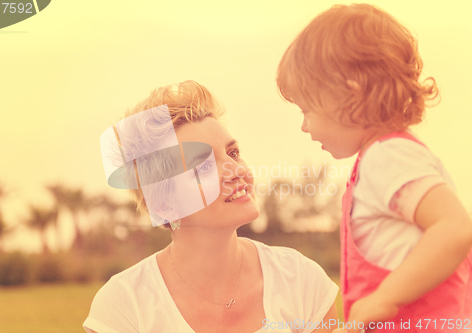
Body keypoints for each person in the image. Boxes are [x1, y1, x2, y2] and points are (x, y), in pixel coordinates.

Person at [84, 80, 339, 333]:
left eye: (233, 153)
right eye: (203, 167)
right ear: (164, 204)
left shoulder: (302, 281)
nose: (237, 170)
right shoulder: (124, 308)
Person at [276, 4, 472, 333]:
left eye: (307, 110)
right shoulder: (384, 158)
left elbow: (454, 227)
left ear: (348, 93)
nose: (304, 127)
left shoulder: (388, 157)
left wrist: (385, 298)